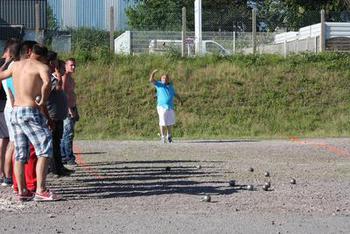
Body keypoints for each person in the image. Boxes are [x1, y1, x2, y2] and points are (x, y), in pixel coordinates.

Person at [0, 44, 61, 201]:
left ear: (30, 52)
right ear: (43, 57)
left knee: (20, 152)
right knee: (45, 147)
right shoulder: (41, 67)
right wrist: (42, 100)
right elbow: (48, 82)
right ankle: (41, 189)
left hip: (15, 110)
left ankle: (22, 191)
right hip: (29, 109)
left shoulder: (16, 65)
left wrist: (6, 63)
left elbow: (1, 75)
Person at [46, 52, 72, 176]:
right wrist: (57, 73)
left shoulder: (55, 78)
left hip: (58, 116)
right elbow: (58, 87)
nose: (62, 70)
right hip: (52, 116)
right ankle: (55, 168)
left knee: (57, 142)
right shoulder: (52, 78)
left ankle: (59, 166)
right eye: (60, 67)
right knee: (54, 143)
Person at [0, 38, 21, 187]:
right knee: (10, 142)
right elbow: (12, 90)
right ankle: (7, 175)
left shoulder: (6, 66)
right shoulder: (12, 66)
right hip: (9, 106)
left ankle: (6, 175)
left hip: (6, 105)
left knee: (8, 141)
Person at [149, 69, 182, 143]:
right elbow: (151, 80)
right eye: (163, 78)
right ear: (161, 79)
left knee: (169, 122)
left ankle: (169, 136)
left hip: (170, 107)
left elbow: (175, 94)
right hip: (161, 106)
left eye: (166, 78)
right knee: (163, 121)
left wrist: (180, 100)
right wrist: (153, 73)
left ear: (168, 79)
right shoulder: (159, 84)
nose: (165, 79)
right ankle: (163, 137)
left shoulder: (170, 86)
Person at [61, 58, 78, 165]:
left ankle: (64, 156)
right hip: (67, 109)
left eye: (74, 65)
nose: (73, 67)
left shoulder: (70, 78)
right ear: (66, 66)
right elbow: (63, 95)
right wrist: (69, 109)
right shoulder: (64, 77)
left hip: (72, 106)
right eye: (71, 65)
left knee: (67, 133)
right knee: (68, 133)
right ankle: (68, 156)